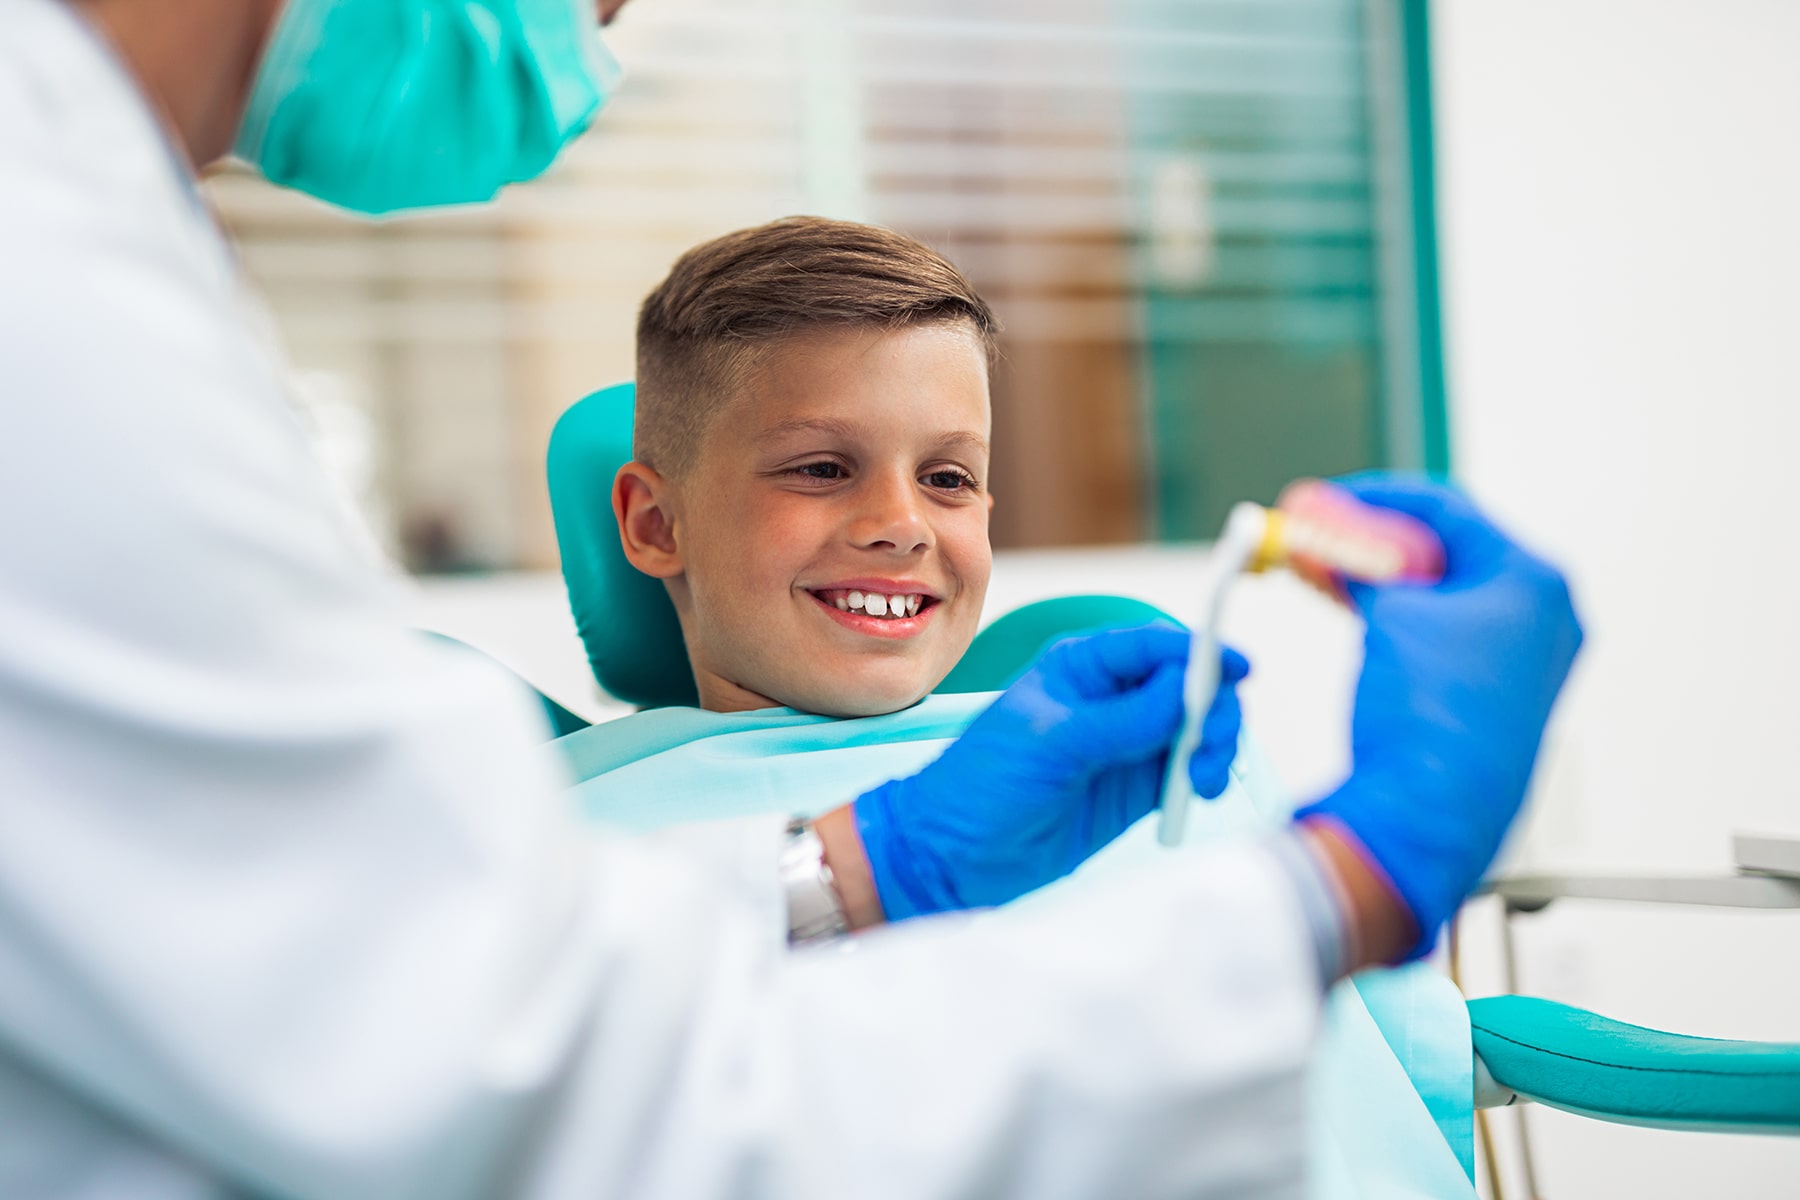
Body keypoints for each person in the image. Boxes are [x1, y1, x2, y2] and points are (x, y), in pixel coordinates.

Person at [0, 2, 1585, 1199]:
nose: (598, 32)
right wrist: (1343, 891)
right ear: (654, 521)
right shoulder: (51, 308)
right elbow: (562, 1087)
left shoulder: (83, 228)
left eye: (952, 479)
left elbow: (400, 996)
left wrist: (859, 869)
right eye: (820, 470)